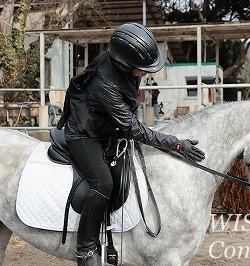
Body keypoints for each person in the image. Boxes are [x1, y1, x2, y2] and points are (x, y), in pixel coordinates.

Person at [57, 22, 205, 266]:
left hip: (106, 129)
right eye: (143, 69)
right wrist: (176, 144)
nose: (147, 73)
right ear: (124, 63)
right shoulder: (104, 84)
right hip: (84, 136)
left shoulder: (125, 70)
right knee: (103, 183)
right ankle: (84, 250)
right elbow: (133, 129)